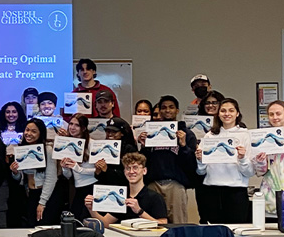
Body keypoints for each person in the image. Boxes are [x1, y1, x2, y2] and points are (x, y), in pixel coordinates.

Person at [138, 96, 200, 224]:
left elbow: (192, 164)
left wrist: (183, 146)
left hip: (175, 184)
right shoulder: (151, 133)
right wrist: (144, 147)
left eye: (171, 107)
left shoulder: (187, 134)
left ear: (177, 110)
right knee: (152, 223)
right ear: (159, 110)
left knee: (178, 223)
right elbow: (144, 161)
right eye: (164, 107)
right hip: (153, 183)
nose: (167, 110)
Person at [194, 98, 253, 223]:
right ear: (218, 114)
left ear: (237, 113)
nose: (227, 114)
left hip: (236, 192)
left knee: (236, 234)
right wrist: (200, 160)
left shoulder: (245, 135)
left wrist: (242, 158)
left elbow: (249, 172)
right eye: (223, 111)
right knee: (213, 232)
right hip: (211, 191)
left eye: (231, 110)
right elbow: (200, 172)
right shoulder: (210, 136)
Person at [95, 153, 169, 224]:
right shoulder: (122, 197)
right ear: (124, 172)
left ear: (144, 171)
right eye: (128, 168)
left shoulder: (155, 197)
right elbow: (105, 223)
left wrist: (139, 211)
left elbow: (162, 224)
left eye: (135, 168)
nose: (131, 172)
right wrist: (91, 208)